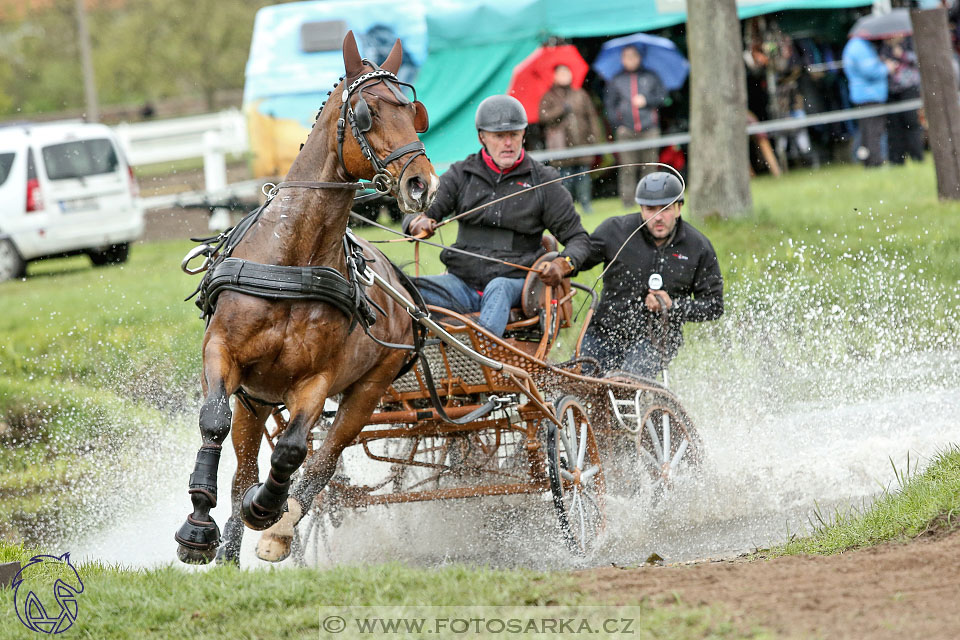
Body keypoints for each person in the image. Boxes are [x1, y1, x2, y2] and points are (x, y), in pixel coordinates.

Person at [403, 95, 592, 337]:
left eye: (514, 134)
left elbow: (579, 240)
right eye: (499, 136)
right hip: (460, 283)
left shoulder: (544, 181)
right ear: (482, 137)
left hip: (513, 284)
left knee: (498, 287)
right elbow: (419, 208)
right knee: (406, 289)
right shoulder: (461, 174)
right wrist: (417, 222)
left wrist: (562, 264)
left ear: (524, 134)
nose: (508, 143)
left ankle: (482, 357)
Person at [578, 172, 723, 379]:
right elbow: (578, 260)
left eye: (666, 209)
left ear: (679, 208)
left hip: (657, 339)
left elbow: (714, 306)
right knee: (582, 381)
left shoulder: (698, 247)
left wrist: (672, 306)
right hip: (604, 331)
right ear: (641, 209)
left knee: (626, 383)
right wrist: (560, 260)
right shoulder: (615, 231)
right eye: (650, 209)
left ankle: (642, 405)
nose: (658, 217)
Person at [603, 45, 666, 207]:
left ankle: (652, 199)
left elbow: (663, 98)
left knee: (650, 167)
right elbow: (609, 105)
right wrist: (618, 125)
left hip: (649, 129)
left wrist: (646, 101)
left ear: (639, 58)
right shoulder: (615, 80)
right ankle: (628, 202)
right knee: (628, 168)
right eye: (627, 57)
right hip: (626, 131)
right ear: (622, 59)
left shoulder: (651, 76)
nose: (630, 60)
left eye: (633, 56)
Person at [538, 64, 605, 213]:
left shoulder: (580, 94)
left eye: (566, 73)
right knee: (565, 179)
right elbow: (543, 118)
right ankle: (567, 207)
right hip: (561, 146)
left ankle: (586, 205)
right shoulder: (549, 97)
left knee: (583, 177)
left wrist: (595, 137)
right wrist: (561, 109)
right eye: (561, 74)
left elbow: (592, 117)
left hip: (581, 143)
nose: (564, 76)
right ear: (555, 77)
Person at [842, 36, 891, 168]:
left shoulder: (854, 46)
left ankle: (866, 160)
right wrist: (886, 68)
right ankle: (875, 161)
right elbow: (870, 71)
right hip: (869, 95)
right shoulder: (860, 47)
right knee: (873, 131)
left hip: (863, 95)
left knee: (866, 131)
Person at [881, 37, 924, 164]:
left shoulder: (910, 43)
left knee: (911, 122)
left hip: (909, 88)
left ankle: (917, 156)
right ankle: (897, 159)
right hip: (891, 90)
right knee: (894, 125)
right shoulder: (883, 47)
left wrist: (902, 55)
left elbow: (919, 60)